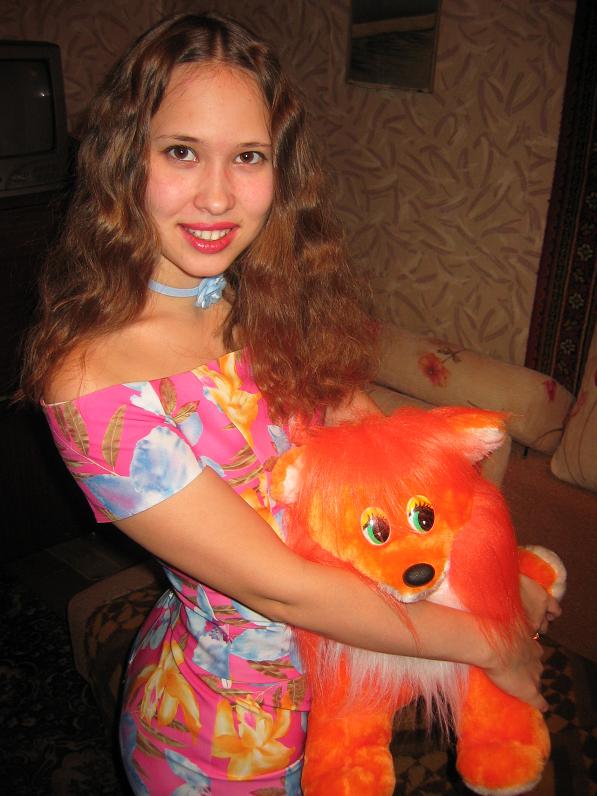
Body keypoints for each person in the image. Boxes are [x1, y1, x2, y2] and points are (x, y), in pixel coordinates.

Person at [20, 12, 559, 795]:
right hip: (224, 743)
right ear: (123, 159)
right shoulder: (89, 381)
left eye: (247, 156)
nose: (216, 197)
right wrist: (490, 640)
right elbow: (278, 587)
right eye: (181, 152)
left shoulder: (260, 303)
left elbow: (388, 465)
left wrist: (494, 579)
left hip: (354, 706)